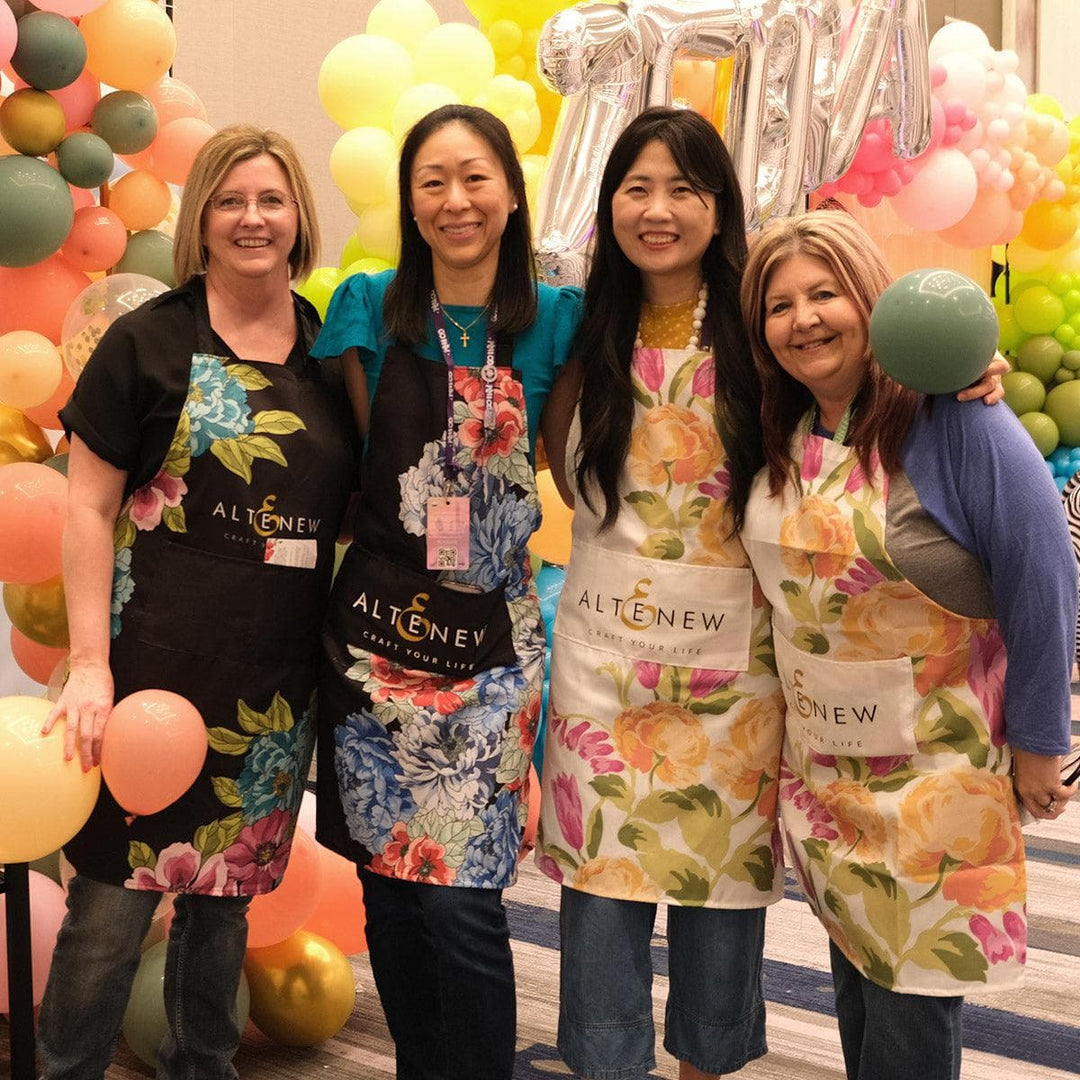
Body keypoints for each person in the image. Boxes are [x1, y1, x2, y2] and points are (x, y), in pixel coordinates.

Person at [38, 125, 355, 1080]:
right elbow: (88, 509)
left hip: (269, 679)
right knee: (107, 905)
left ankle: (202, 1065)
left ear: (299, 216)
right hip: (148, 671)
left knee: (224, 904)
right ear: (202, 221)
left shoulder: (335, 355)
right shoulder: (150, 340)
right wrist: (90, 662)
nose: (252, 218)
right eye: (230, 200)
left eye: (271, 200)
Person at [734, 209, 1077, 1080]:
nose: (804, 319)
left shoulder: (962, 421)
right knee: (857, 972)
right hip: (828, 773)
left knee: (912, 1005)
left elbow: (1045, 580)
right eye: (779, 305)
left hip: (937, 775)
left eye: (825, 294)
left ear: (872, 303)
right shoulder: (785, 428)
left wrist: (1041, 743)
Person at [311, 104, 582, 1080]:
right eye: (433, 181)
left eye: (475, 178)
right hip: (378, 636)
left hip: (488, 649)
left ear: (511, 193)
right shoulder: (364, 304)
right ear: (409, 201)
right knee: (389, 889)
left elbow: (621, 432)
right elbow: (334, 460)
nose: (456, 200)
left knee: (462, 900)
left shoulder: (562, 318)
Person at [535, 106, 783, 1080]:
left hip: (731, 686)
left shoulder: (763, 335)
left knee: (720, 914)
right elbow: (558, 466)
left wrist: (967, 375)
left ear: (719, 209)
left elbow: (861, 393)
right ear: (609, 208)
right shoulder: (578, 332)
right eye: (637, 187)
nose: (659, 209)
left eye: (684, 187)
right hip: (603, 670)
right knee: (599, 906)